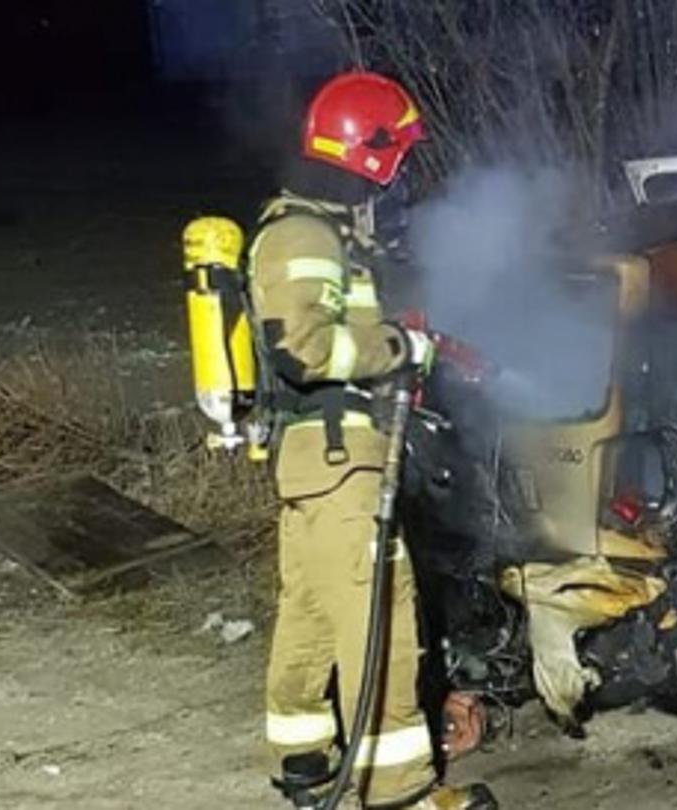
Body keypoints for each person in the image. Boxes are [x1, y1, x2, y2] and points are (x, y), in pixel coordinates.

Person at [251, 70, 496, 810]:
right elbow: (303, 349)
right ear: (371, 153)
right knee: (382, 625)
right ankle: (402, 792)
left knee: (313, 614)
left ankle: (303, 760)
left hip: (320, 465)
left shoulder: (325, 232)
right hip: (342, 463)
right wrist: (401, 348)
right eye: (399, 157)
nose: (401, 176)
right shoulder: (302, 235)